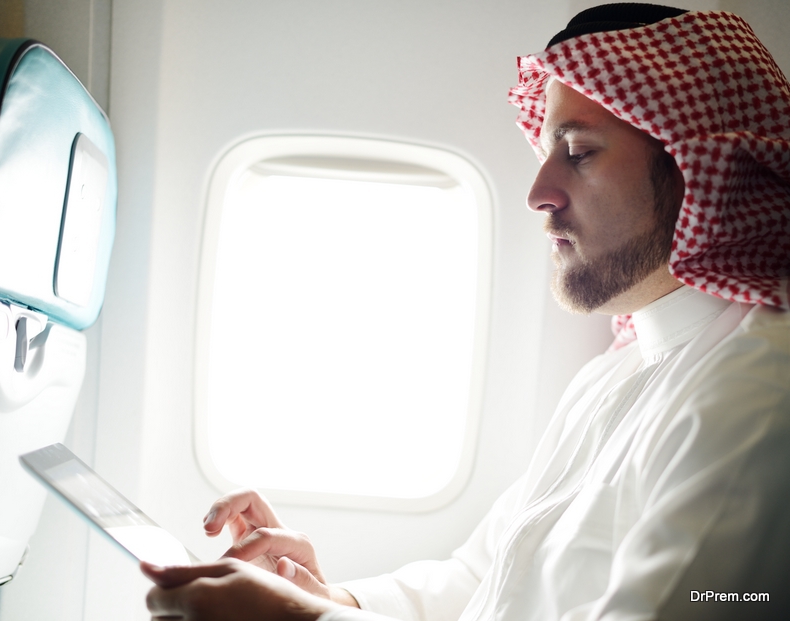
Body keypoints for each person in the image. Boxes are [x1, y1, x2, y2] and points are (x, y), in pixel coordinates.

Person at [143, 3, 790, 620]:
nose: (539, 192)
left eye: (581, 152)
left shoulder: (756, 395)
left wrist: (298, 618)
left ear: (703, 166)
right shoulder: (617, 373)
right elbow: (485, 580)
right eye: (545, 155)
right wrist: (329, 598)